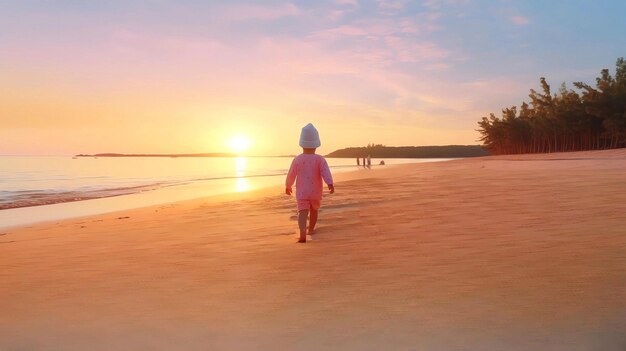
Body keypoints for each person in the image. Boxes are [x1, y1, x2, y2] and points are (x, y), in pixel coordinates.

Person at [286, 123, 335, 243]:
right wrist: (330, 183)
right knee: (314, 210)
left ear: (301, 143)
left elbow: (291, 173)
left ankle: (302, 232)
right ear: (316, 144)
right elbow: (325, 172)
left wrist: (288, 185)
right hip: (315, 192)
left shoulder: (297, 159)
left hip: (302, 192)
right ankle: (311, 229)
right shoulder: (320, 159)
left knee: (302, 212)